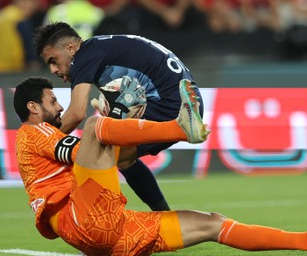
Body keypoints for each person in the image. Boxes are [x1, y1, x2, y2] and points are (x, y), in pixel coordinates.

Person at [14, 76, 307, 256]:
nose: (60, 107)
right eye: (53, 101)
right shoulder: (33, 133)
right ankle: (180, 128)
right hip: (85, 220)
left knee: (211, 222)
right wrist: (114, 118)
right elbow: (82, 150)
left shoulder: (45, 135)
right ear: (33, 107)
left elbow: (116, 159)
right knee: (92, 126)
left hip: (111, 239)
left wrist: (121, 121)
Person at [33, 21, 204, 212]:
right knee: (121, 157)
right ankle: (164, 217)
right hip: (184, 98)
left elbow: (76, 113)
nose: (53, 70)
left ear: (71, 48)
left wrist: (40, 142)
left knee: (103, 155)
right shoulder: (101, 48)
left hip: (170, 104)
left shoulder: (84, 57)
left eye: (53, 61)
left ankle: (101, 219)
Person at [0, 0, 41, 73]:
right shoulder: (20, 19)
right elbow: (28, 45)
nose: (36, 7)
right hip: (8, 69)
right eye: (33, 3)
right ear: (20, 2)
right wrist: (33, 62)